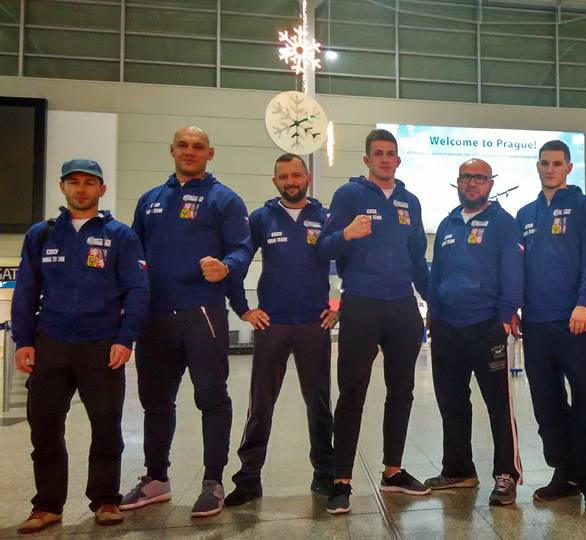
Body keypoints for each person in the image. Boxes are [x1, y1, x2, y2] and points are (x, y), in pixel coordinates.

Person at [121, 126, 253, 518]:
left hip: (202, 313)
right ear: (172, 150)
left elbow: (242, 248)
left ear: (210, 154)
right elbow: (133, 257)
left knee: (211, 397)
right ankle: (156, 479)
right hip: (155, 316)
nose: (190, 151)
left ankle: (213, 481)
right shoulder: (149, 200)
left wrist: (226, 266)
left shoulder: (225, 199)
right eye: (183, 145)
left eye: (198, 147)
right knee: (155, 401)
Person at [11, 159, 149, 534]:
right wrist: (23, 340)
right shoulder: (41, 235)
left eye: (90, 182)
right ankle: (47, 505)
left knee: (106, 427)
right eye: (74, 182)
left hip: (101, 345)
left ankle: (105, 500)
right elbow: (25, 291)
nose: (82, 189)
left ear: (102, 189)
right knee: (44, 427)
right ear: (63, 187)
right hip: (51, 344)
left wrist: (125, 339)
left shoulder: (120, 236)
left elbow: (137, 290)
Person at [222, 153, 348, 506]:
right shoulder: (261, 218)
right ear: (274, 181)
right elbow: (237, 262)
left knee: (319, 403)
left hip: (313, 325)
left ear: (307, 177)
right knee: (261, 404)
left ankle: (324, 472)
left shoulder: (325, 219)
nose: (291, 181)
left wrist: (340, 307)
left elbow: (349, 264)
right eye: (283, 176)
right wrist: (243, 309)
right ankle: (249, 478)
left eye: (296, 175)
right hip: (272, 325)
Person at [318, 129, 431, 514]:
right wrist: (347, 234)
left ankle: (393, 471)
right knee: (352, 392)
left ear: (398, 160)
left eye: (390, 153)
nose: (385, 159)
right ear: (367, 159)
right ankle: (341, 480)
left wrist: (434, 301)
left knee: (402, 390)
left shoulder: (410, 202)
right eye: (378, 153)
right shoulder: (349, 195)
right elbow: (324, 247)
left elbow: (418, 259)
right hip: (361, 303)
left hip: (402, 305)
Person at [515, 140, 586, 514]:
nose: (550, 169)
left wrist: (584, 302)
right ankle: (565, 473)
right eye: (544, 163)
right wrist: (513, 308)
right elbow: (516, 268)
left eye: (557, 163)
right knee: (547, 405)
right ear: (537, 166)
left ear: (569, 168)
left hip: (573, 321)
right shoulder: (524, 214)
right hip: (535, 323)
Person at [425, 158, 524, 506]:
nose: (472, 183)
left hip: (487, 326)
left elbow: (513, 271)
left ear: (490, 184)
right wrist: (434, 314)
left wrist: (505, 315)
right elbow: (437, 274)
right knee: (451, 401)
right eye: (466, 177)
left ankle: (506, 474)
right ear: (457, 181)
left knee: (498, 405)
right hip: (447, 328)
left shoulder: (503, 223)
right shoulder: (447, 224)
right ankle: (458, 469)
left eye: (480, 178)